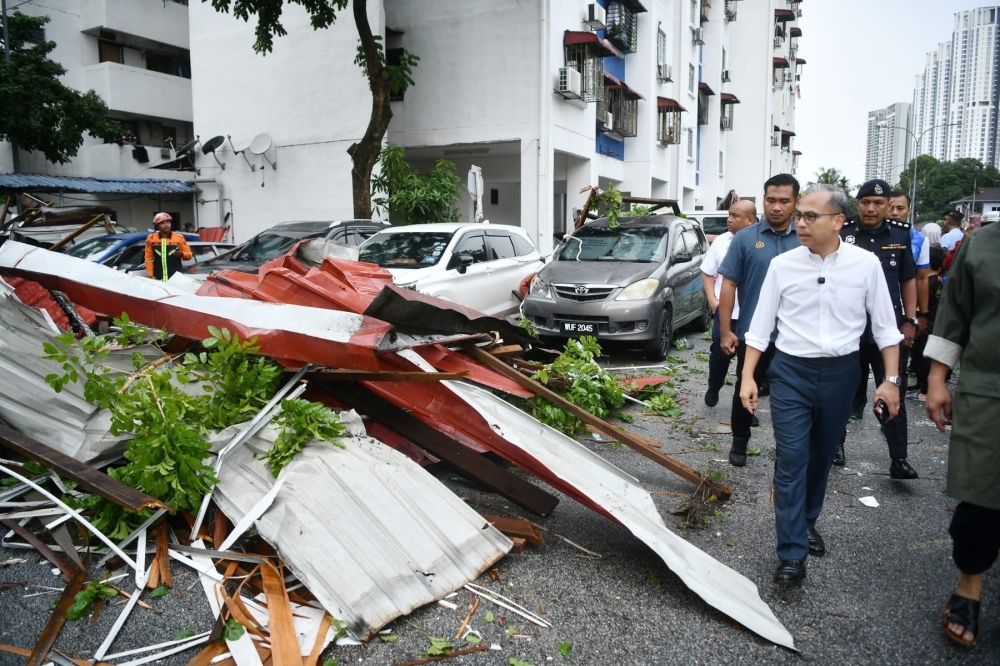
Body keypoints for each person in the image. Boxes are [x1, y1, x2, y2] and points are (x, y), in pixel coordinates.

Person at [740, 184, 902, 586]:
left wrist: (892, 381)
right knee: (792, 459)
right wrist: (747, 378)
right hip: (790, 373)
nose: (801, 223)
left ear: (838, 221)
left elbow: (885, 329)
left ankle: (807, 520)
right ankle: (792, 553)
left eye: (811, 216)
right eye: (800, 215)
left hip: (841, 374)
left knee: (822, 456)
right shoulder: (783, 265)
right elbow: (760, 329)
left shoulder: (865, 266)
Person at [924, 221, 1000, 648]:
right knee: (983, 498)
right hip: (990, 390)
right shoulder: (984, 245)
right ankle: (970, 581)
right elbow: (955, 313)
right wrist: (937, 379)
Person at [833, 179, 918, 479]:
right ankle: (835, 446)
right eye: (866, 202)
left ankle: (899, 459)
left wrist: (911, 320)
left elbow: (908, 279)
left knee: (893, 389)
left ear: (887, 205)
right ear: (858, 204)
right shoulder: (843, 234)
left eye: (878, 203)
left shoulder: (900, 235)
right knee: (841, 392)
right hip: (849, 329)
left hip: (887, 332)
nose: (871, 208)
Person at [717, 174, 801, 467]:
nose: (776, 207)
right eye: (771, 200)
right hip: (754, 336)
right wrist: (727, 330)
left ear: (796, 203)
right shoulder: (745, 238)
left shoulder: (806, 239)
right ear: (763, 200)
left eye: (784, 201)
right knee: (745, 387)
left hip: (796, 338)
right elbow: (728, 284)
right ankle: (739, 443)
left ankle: (788, 449)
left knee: (791, 397)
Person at [700, 200, 757, 408]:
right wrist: (713, 301)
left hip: (752, 315)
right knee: (719, 356)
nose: (729, 219)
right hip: (725, 314)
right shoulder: (722, 241)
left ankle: (743, 407)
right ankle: (714, 387)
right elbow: (707, 273)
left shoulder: (761, 242)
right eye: (729, 215)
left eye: (735, 216)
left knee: (748, 363)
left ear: (750, 220)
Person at [889, 192, 930, 385]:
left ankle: (896, 405)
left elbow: (922, 278)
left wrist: (921, 314)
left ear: (909, 210)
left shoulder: (919, 240)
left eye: (900, 208)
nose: (894, 213)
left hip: (903, 310)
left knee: (899, 361)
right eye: (891, 207)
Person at [910, 245, 946, 399]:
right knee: (922, 355)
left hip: (925, 324)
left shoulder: (927, 283)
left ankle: (925, 389)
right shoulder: (938, 282)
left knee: (921, 355)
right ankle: (920, 384)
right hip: (935, 323)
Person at [144, 212, 192, 281]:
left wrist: (182, 254)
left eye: (168, 222)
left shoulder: (179, 237)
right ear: (157, 226)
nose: (166, 225)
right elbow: (148, 259)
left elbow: (189, 255)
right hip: (158, 279)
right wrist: (151, 275)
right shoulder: (151, 238)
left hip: (176, 279)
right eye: (162, 223)